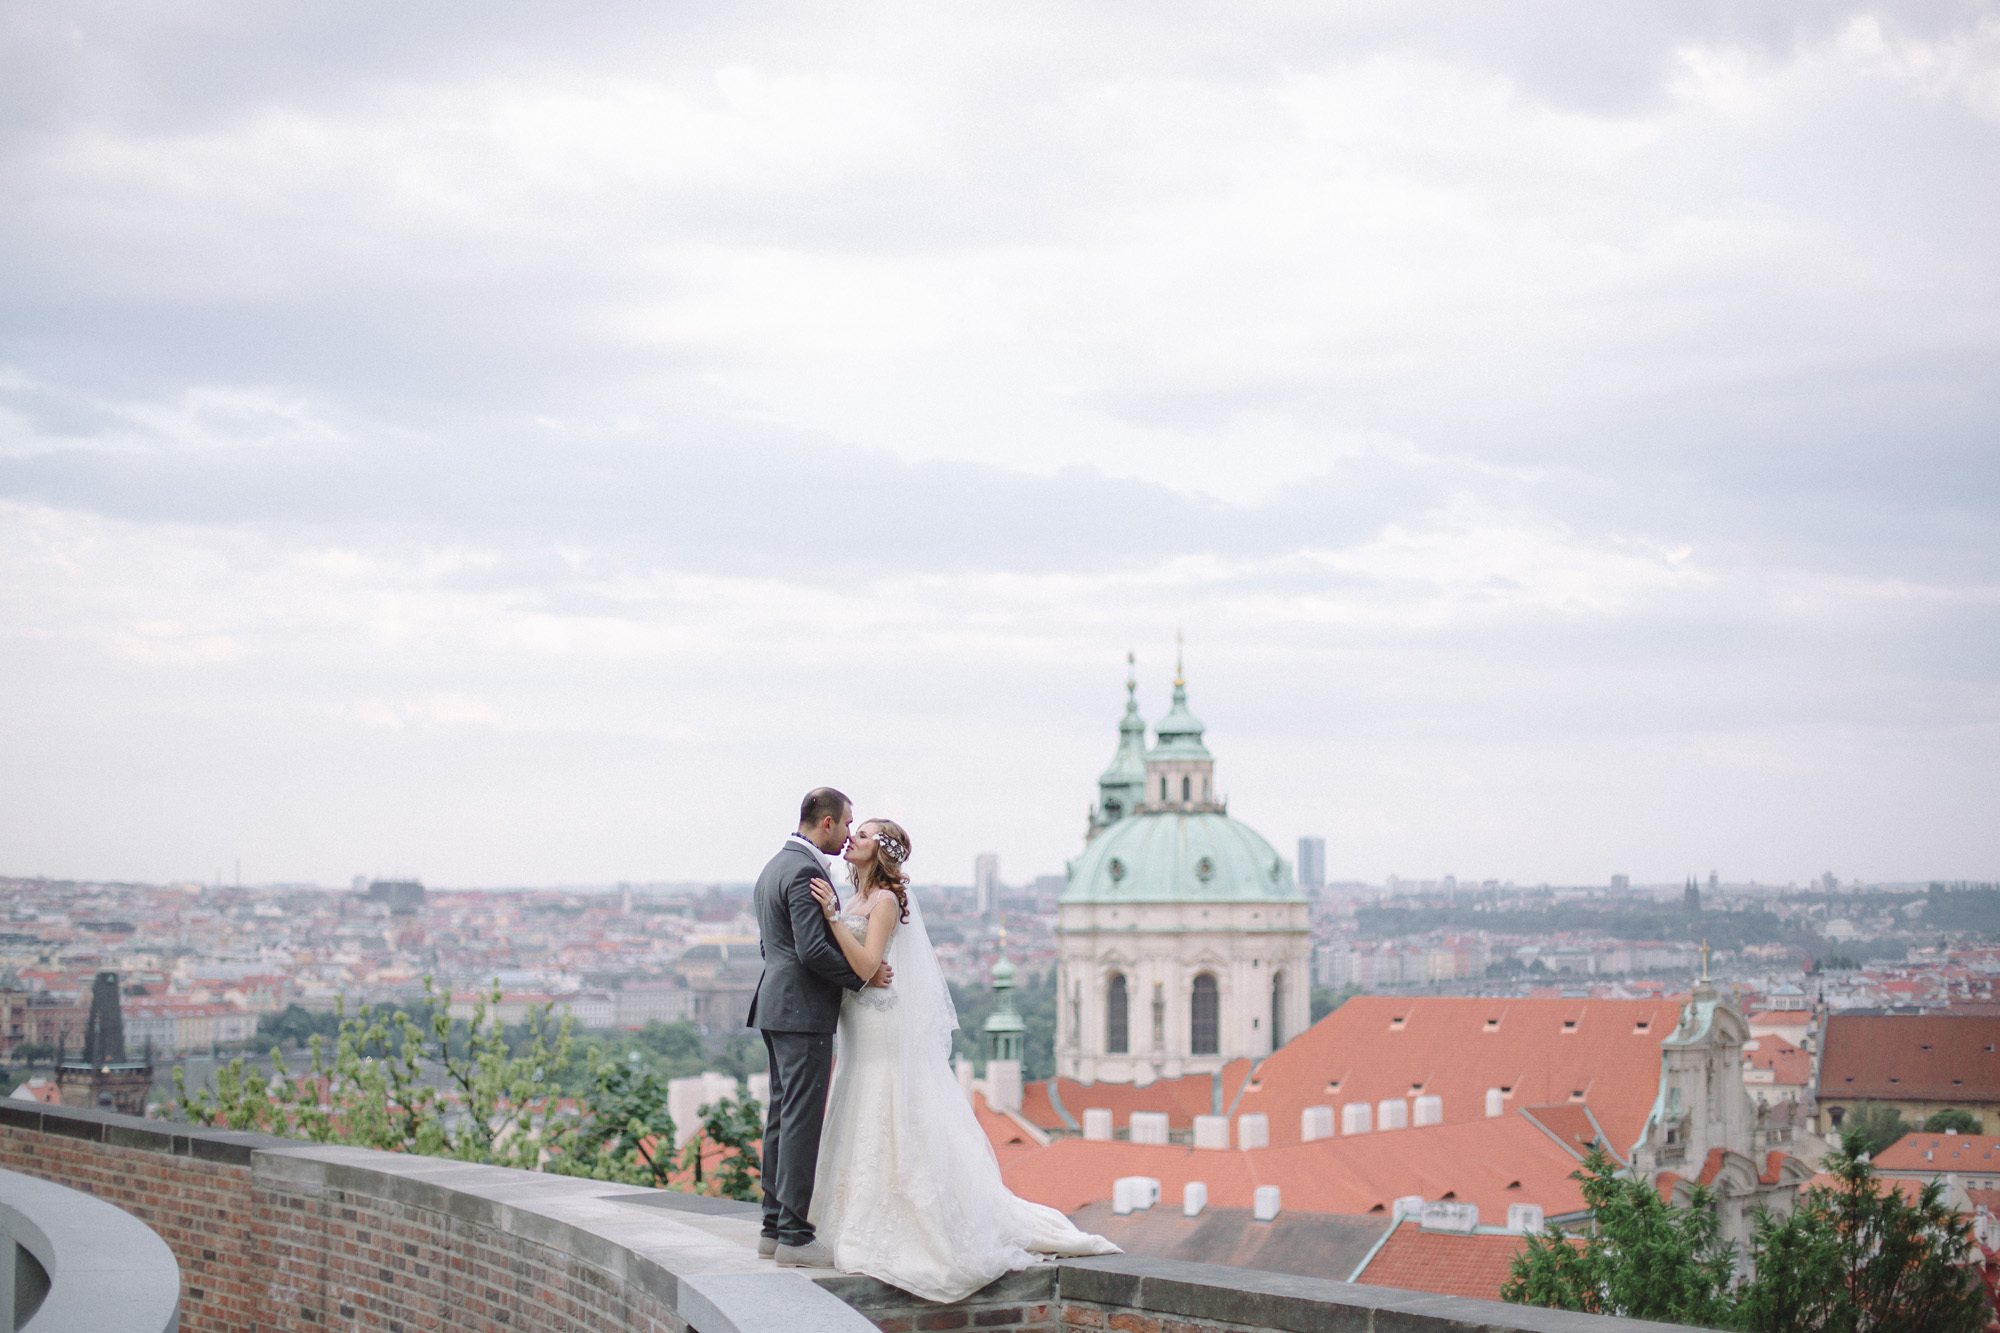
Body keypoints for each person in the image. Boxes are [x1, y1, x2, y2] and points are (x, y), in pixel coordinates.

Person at [805, 817, 1118, 1302]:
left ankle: (887, 1219)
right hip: (857, 1019)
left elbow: (866, 966)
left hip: (878, 1019)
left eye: (862, 835)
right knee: (857, 1099)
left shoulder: (884, 900)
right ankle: (852, 1215)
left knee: (880, 1101)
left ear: (880, 851)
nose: (852, 839)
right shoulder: (856, 898)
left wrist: (830, 919)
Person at [746, 787, 892, 1268]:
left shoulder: (774, 865)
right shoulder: (806, 870)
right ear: (826, 822)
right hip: (802, 1011)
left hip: (776, 1004)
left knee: (781, 1115)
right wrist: (861, 976)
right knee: (801, 1120)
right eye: (847, 823)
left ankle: (772, 1228)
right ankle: (794, 1234)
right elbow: (810, 950)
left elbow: (772, 946)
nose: (849, 833)